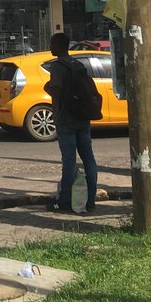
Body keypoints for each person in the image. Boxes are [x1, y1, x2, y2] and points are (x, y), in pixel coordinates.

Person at [43, 32, 98, 213]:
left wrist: (47, 88)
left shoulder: (58, 66)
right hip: (82, 117)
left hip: (66, 118)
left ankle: (64, 201)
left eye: (52, 44)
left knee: (69, 161)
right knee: (88, 158)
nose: (50, 47)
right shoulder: (77, 64)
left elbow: (57, 90)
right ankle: (90, 201)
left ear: (59, 46)